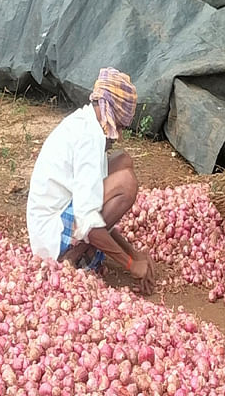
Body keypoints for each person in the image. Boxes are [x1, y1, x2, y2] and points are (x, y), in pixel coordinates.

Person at [26, 68, 156, 293]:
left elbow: (95, 210)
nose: (120, 135)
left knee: (123, 161)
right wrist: (130, 264)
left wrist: (134, 252)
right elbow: (89, 221)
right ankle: (71, 257)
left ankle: (77, 252)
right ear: (111, 114)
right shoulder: (90, 138)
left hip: (55, 218)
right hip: (52, 235)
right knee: (125, 183)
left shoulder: (87, 122)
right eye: (121, 126)